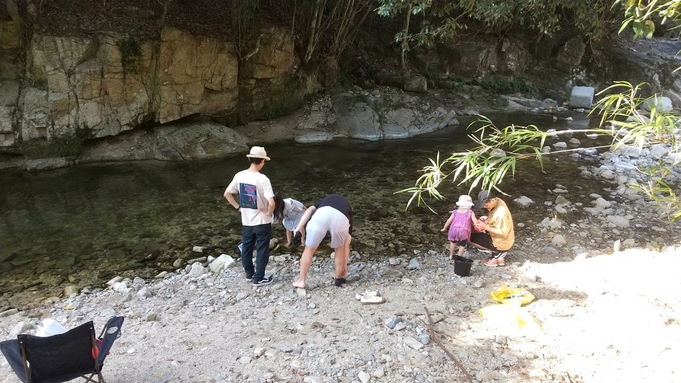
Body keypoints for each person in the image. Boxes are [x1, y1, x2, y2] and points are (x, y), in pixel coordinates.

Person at [224, 146, 276, 287]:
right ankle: (259, 278)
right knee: (262, 249)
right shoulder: (263, 179)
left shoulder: (239, 175)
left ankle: (249, 274)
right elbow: (271, 202)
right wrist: (269, 213)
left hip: (246, 221)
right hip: (262, 221)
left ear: (249, 159)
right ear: (263, 161)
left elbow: (227, 194)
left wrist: (238, 208)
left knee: (247, 248)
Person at [291, 194, 353, 289]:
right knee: (339, 248)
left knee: (309, 249)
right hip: (340, 218)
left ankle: (301, 281)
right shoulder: (347, 208)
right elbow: (347, 243)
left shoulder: (323, 202)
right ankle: (338, 278)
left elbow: (309, 210)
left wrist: (299, 226)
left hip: (321, 215)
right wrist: (344, 265)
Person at [469, 190, 515, 267]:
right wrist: (487, 220)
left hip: (501, 242)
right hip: (504, 239)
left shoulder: (501, 214)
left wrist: (485, 227)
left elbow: (503, 233)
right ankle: (499, 252)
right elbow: (495, 219)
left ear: (492, 200)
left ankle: (498, 252)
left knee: (469, 238)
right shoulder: (498, 201)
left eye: (486, 205)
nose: (484, 207)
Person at [441, 194, 480, 260]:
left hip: (454, 229)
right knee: (462, 244)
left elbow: (449, 221)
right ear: (469, 205)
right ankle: (459, 256)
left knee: (453, 243)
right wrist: (479, 224)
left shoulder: (455, 212)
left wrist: (444, 228)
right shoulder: (470, 212)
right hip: (464, 230)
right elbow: (475, 222)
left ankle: (451, 255)